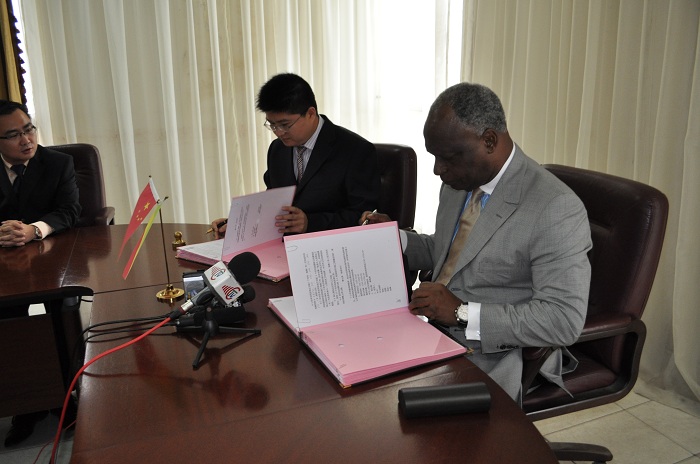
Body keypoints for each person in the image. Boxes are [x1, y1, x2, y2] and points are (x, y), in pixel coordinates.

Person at [361, 83, 592, 403]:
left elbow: (562, 321)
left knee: (390, 413)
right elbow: (450, 253)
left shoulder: (553, 207)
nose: (437, 170)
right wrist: (394, 239)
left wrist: (461, 313)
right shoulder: (459, 181)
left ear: (489, 141)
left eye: (447, 157)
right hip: (428, 330)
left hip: (492, 353)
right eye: (434, 157)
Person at [0, 99, 81, 446]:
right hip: (5, 266)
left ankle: (66, 395)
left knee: (60, 314)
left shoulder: (58, 163)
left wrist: (35, 229)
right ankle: (25, 405)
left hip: (53, 258)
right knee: (8, 322)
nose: (26, 139)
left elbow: (71, 211)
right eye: (13, 135)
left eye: (29, 128)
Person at [211, 73, 379, 237]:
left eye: (285, 124)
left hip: (330, 246)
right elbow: (273, 205)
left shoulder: (355, 150)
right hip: (282, 247)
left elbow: (365, 217)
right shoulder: (277, 149)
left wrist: (310, 223)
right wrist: (240, 224)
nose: (278, 132)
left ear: (310, 113)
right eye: (272, 125)